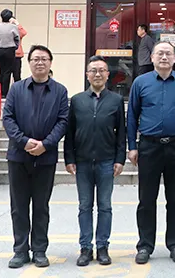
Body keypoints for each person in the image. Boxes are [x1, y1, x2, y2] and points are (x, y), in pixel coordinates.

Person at [127, 40, 175, 265]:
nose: (164, 57)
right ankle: (145, 245)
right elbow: (131, 116)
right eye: (160, 54)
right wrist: (132, 146)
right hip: (149, 146)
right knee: (146, 199)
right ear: (152, 58)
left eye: (168, 54)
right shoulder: (140, 82)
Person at [2, 45, 69, 269]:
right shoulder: (16, 89)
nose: (40, 63)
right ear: (29, 62)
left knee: (41, 206)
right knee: (18, 206)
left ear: (50, 63)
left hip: (45, 158)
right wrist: (24, 141)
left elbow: (63, 121)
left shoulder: (60, 91)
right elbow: (8, 118)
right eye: (35, 59)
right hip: (18, 156)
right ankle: (20, 250)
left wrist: (45, 144)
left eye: (44, 59)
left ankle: (39, 250)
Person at [65, 56, 126, 267]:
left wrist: (120, 159)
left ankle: (102, 247)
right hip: (82, 161)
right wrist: (69, 158)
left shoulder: (116, 100)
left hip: (106, 161)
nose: (97, 74)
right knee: (84, 206)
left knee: (105, 206)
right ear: (87, 75)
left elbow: (121, 133)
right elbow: (70, 132)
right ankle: (85, 248)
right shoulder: (77, 100)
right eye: (93, 70)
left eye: (101, 70)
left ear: (108, 75)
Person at [0, 9, 20, 97]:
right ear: (10, 17)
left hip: (0, 49)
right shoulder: (13, 27)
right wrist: (15, 46)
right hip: (10, 50)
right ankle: (5, 92)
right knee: (8, 71)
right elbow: (17, 38)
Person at [10, 16, 28, 83]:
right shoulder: (5, 30)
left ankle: (18, 89)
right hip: (7, 55)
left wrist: (16, 23)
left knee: (17, 76)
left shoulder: (17, 31)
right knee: (5, 76)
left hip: (17, 56)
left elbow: (23, 33)